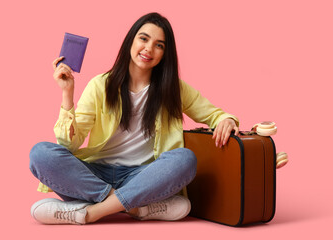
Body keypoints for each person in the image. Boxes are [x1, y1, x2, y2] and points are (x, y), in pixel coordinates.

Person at [29, 12, 239, 225]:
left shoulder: (173, 89)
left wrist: (227, 120)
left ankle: (89, 212)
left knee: (185, 159)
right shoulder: (100, 85)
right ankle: (137, 209)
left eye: (159, 45)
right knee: (41, 153)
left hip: (142, 176)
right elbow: (69, 144)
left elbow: (215, 114)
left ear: (165, 54)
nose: (149, 48)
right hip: (96, 174)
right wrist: (67, 95)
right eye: (144, 38)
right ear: (131, 40)